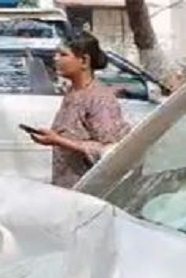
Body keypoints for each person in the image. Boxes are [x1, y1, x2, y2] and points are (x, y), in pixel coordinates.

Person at [30, 32, 130, 189]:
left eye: (63, 54)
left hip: (89, 190)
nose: (56, 59)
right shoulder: (73, 92)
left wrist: (58, 140)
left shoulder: (99, 99)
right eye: (56, 54)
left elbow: (111, 150)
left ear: (84, 61)